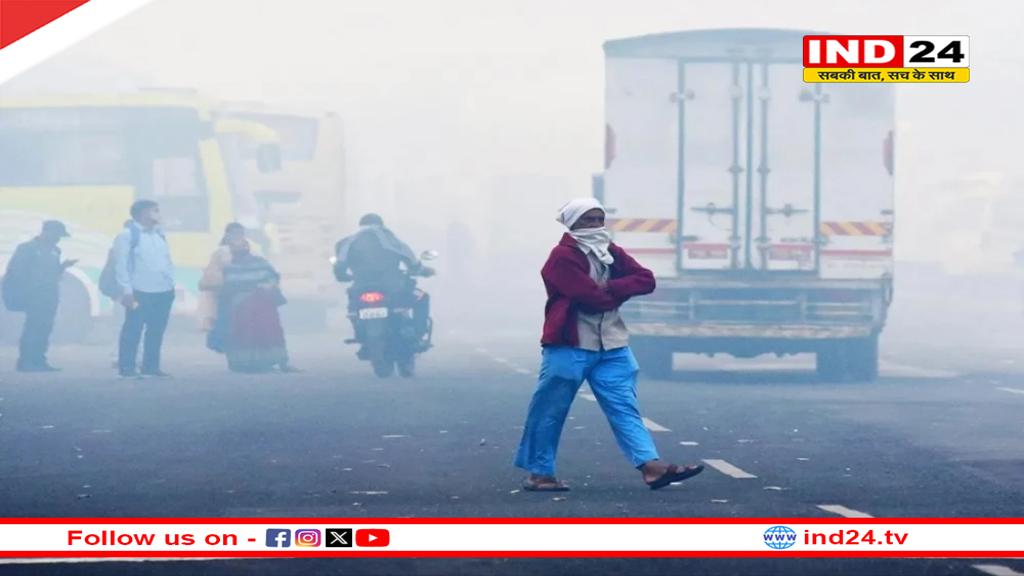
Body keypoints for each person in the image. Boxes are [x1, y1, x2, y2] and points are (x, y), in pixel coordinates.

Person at [513, 198, 704, 491]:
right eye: (587, 220)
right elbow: (593, 298)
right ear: (572, 223)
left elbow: (646, 279)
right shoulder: (561, 258)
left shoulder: (609, 251)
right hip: (569, 344)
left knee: (624, 406)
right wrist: (615, 290)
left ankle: (650, 466)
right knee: (550, 410)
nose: (594, 225)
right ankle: (539, 473)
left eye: (598, 219)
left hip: (612, 344)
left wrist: (611, 287)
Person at [333, 213, 434, 348]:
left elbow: (340, 266)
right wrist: (423, 271)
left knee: (353, 308)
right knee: (422, 297)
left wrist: (343, 276)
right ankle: (418, 335)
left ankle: (361, 334)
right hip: (392, 287)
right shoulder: (389, 239)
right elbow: (412, 262)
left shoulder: (347, 243)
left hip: (361, 287)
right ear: (381, 225)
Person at [212, 231, 294, 373]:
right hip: (257, 305)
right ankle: (274, 362)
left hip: (248, 305)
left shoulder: (229, 266)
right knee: (265, 332)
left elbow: (226, 287)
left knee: (250, 333)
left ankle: (245, 363)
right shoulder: (256, 263)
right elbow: (273, 278)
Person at [3, 221, 77, 372]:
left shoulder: (56, 250)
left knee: (45, 328)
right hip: (33, 296)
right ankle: (25, 361)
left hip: (49, 296)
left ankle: (39, 359)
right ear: (46, 232)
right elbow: (16, 272)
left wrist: (63, 267)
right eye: (56, 235)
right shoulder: (26, 248)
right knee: (32, 328)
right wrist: (25, 291)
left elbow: (54, 273)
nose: (58, 239)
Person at [115, 200, 175, 378]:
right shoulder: (127, 235)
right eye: (155, 211)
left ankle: (151, 366)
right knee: (133, 329)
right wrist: (126, 290)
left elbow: (166, 262)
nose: (159, 214)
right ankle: (127, 368)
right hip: (139, 291)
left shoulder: (159, 235)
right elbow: (122, 265)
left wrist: (171, 284)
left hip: (163, 291)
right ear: (143, 213)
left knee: (156, 330)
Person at [198, 223, 241, 340]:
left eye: (240, 233)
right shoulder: (221, 252)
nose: (238, 236)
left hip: (231, 290)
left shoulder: (247, 249)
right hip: (225, 290)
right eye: (235, 233)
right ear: (227, 235)